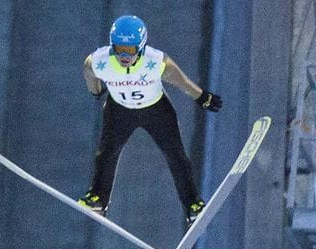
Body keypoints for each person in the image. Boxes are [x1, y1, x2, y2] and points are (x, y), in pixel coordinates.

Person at [78, 14, 222, 227]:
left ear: (141, 47)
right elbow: (89, 73)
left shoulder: (155, 62)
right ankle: (98, 199)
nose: (124, 56)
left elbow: (180, 81)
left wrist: (201, 97)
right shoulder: (99, 61)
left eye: (130, 50)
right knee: (106, 153)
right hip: (120, 111)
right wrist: (96, 90)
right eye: (119, 49)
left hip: (156, 110)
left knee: (175, 155)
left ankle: (193, 205)